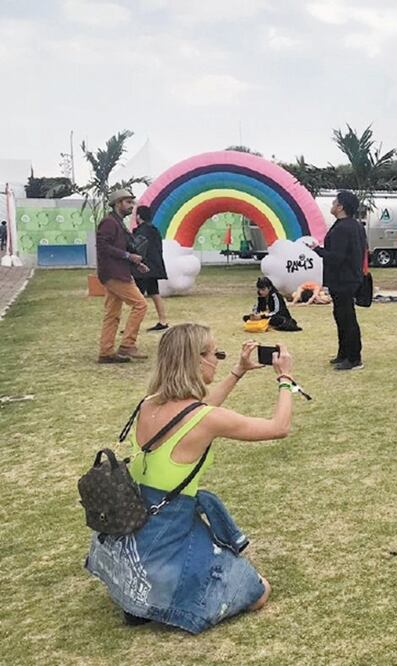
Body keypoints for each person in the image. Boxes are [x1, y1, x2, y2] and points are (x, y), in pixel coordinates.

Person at [85, 324, 296, 633]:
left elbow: (195, 413)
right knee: (258, 590)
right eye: (216, 354)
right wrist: (285, 378)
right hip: (167, 538)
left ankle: (140, 599)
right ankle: (160, 597)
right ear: (196, 361)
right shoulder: (205, 419)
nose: (218, 360)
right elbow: (279, 427)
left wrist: (238, 372)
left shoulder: (148, 404)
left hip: (131, 535)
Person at [96, 188, 150, 363]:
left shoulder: (117, 222)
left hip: (115, 272)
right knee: (140, 304)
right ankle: (127, 345)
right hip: (115, 274)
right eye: (128, 202)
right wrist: (129, 256)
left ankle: (106, 352)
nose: (131, 206)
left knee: (112, 313)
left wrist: (136, 263)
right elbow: (103, 247)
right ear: (118, 203)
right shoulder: (109, 223)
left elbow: (120, 248)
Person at [314, 191, 366, 370]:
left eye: (335, 202)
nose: (332, 204)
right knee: (342, 316)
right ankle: (343, 353)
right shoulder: (355, 225)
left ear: (341, 206)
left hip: (343, 279)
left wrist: (317, 250)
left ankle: (353, 358)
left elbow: (336, 257)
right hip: (350, 278)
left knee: (346, 318)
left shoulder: (343, 228)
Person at [132, 206, 169, 331]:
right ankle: (163, 321)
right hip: (154, 266)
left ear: (138, 216)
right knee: (154, 293)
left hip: (143, 268)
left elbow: (137, 249)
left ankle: (133, 325)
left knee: (137, 298)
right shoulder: (155, 230)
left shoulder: (140, 231)